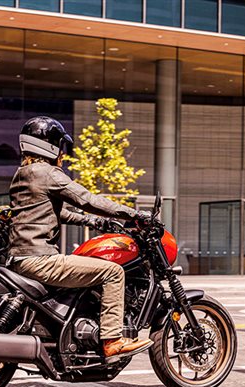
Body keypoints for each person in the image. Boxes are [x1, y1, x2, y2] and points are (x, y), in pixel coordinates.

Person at [8, 116, 153, 358]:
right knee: (113, 272)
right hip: (40, 259)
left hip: (18, 258)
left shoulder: (23, 173)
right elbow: (88, 200)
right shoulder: (48, 173)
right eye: (60, 146)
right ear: (51, 146)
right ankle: (112, 340)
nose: (63, 154)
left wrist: (92, 221)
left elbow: (52, 212)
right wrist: (134, 214)